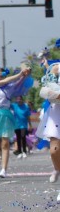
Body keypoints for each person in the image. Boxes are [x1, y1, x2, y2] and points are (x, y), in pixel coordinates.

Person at [0, 67, 31, 178]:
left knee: (5, 142)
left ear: (5, 77)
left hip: (5, 115)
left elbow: (19, 83)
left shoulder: (9, 88)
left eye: (1, 76)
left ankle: (4, 169)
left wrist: (24, 75)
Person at [37, 62, 60, 200]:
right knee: (54, 150)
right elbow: (45, 89)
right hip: (56, 113)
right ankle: (57, 168)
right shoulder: (55, 67)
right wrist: (52, 94)